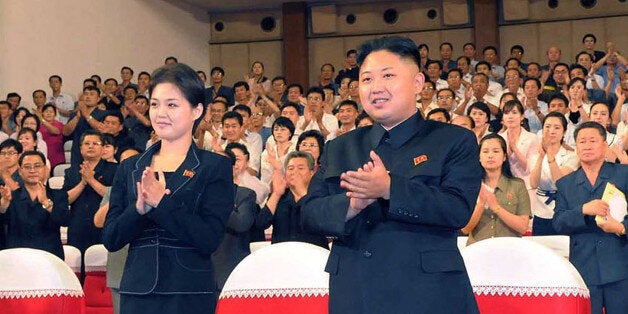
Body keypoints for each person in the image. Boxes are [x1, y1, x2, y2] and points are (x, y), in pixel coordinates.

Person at [301, 36, 481, 313]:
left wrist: (389, 189)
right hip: (355, 293)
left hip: (428, 294)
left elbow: (458, 210)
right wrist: (351, 205)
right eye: (367, 79)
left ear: (418, 83)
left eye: (388, 76)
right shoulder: (340, 147)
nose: (376, 88)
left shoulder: (454, 140)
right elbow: (310, 213)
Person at [101, 63, 233, 313]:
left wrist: (162, 204)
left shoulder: (214, 167)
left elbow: (209, 239)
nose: (160, 113)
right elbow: (111, 238)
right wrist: (138, 210)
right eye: (154, 104)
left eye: (172, 104)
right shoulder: (130, 166)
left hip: (188, 292)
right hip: (137, 292)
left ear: (196, 110)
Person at [552, 121, 628, 314]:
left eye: (592, 140)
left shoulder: (624, 174)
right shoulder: (565, 183)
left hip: (620, 265)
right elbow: (558, 223)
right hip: (584, 269)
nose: (587, 145)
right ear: (576, 147)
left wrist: (620, 228)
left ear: (604, 145)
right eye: (582, 141)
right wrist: (583, 210)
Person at [462, 134, 531, 245]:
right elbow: (465, 228)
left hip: (509, 250)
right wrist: (481, 204)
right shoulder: (470, 185)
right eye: (485, 151)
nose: (490, 156)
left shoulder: (517, 185)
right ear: (479, 157)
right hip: (478, 250)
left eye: (495, 151)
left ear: (504, 157)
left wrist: (496, 208)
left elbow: (523, 227)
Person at [0, 151, 69, 259]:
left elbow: (65, 220)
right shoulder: (11, 197)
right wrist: (3, 205)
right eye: (27, 167)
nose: (32, 170)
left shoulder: (58, 195)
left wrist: (46, 203)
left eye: (37, 166)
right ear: (20, 171)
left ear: (46, 169)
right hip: (18, 257)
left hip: (50, 256)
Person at [257, 151, 328, 248]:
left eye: (300, 168)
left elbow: (321, 223)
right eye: (290, 168)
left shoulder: (321, 194)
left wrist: (302, 191)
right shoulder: (279, 196)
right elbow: (261, 224)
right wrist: (276, 194)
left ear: (312, 172)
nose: (294, 172)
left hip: (313, 255)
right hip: (283, 255)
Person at [212, 144, 258, 293]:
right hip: (200, 271)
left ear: (232, 168)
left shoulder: (245, 194)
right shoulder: (195, 196)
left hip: (231, 272)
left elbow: (241, 223)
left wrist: (215, 203)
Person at [64, 130, 117, 254]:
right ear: (81, 149)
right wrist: (83, 182)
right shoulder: (71, 172)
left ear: (103, 148)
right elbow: (65, 199)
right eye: (87, 143)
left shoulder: (114, 169)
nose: (91, 146)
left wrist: (91, 180)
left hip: (104, 225)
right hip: (77, 226)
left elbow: (114, 196)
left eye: (95, 143)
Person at [529, 112, 579, 235]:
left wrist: (550, 154)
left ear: (564, 132)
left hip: (563, 210)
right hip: (541, 211)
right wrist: (541, 157)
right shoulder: (535, 156)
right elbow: (534, 183)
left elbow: (560, 182)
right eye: (547, 126)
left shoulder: (572, 156)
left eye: (557, 127)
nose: (551, 131)